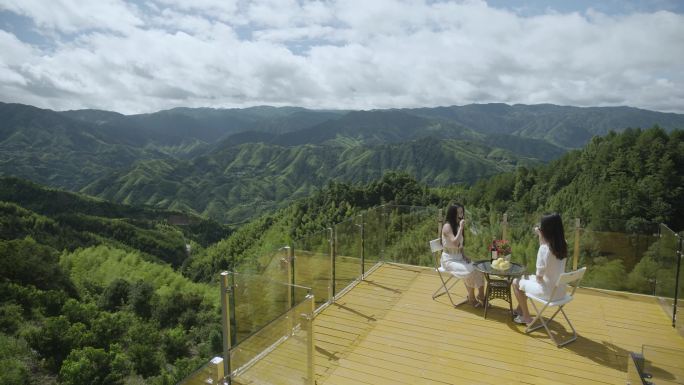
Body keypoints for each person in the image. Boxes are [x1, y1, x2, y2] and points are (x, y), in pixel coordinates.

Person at [512, 213, 568, 325]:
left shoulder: (544, 249)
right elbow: (546, 246)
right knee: (526, 279)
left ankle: (526, 317)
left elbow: (539, 277)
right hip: (561, 291)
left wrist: (535, 280)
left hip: (548, 292)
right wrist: (540, 235)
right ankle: (519, 310)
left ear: (545, 231)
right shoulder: (564, 245)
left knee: (516, 282)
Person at [441, 204, 485, 307]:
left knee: (479, 268)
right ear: (453, 213)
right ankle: (472, 297)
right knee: (470, 270)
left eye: (462, 212)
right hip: (449, 260)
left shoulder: (457, 224)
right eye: (459, 212)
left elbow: (460, 245)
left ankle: (481, 295)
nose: (462, 214)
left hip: (459, 258)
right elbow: (455, 242)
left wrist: (464, 255)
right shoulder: (447, 226)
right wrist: (461, 227)